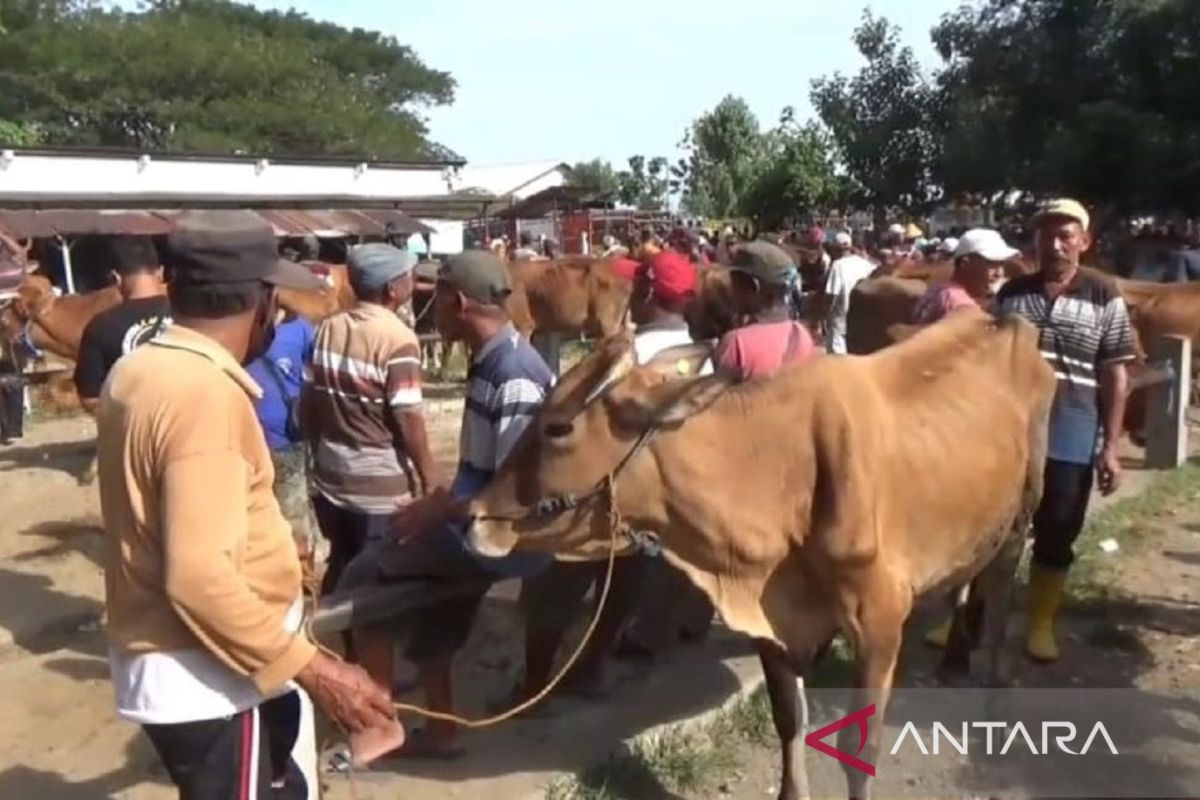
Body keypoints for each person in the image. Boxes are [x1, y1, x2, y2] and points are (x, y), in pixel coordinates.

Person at [96, 210, 395, 799]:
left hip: (192, 662)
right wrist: (316, 668)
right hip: (215, 676)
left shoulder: (140, 369)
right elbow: (201, 577)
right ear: (264, 301)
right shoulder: (203, 393)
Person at [333, 250, 554, 760]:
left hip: (503, 538)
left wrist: (441, 511)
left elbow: (514, 492)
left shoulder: (514, 374)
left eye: (439, 299)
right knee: (435, 590)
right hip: (480, 526)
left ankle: (377, 724)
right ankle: (442, 730)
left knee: (361, 577)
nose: (432, 309)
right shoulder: (495, 358)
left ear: (459, 302)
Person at [928, 199, 1136, 663]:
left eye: (1066, 235)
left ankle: (1040, 622)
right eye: (1047, 234)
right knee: (988, 530)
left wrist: (1111, 447)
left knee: (1058, 529)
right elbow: (987, 360)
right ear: (1036, 240)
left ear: (1085, 241)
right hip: (1010, 433)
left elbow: (1116, 373)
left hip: (1073, 429)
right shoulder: (1012, 293)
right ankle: (967, 616)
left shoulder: (1105, 294)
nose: (1056, 244)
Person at [303, 243, 443, 597]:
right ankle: (364, 649)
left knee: (341, 560)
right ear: (392, 289)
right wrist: (430, 474)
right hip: (378, 487)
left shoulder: (327, 329)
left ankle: (332, 636)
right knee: (373, 576)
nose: (413, 280)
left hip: (332, 475)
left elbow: (310, 401)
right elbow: (407, 415)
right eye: (407, 276)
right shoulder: (398, 340)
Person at [246, 309, 318, 568]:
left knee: (293, 521)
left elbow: (313, 378)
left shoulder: (246, 328)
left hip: (283, 441)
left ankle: (303, 583)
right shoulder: (300, 328)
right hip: (259, 442)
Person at [74, 236, 171, 414]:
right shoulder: (190, 314)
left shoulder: (100, 327)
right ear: (161, 272)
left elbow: (90, 398)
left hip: (131, 433)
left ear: (116, 278)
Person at [716, 241, 817, 379]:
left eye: (734, 281)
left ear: (755, 287)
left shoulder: (737, 344)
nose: (731, 288)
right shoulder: (802, 335)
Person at [911, 228, 1019, 324]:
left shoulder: (940, 289)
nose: (999, 273)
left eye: (1001, 264)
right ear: (965, 263)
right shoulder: (958, 304)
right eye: (991, 264)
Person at [822, 232, 876, 355]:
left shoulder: (837, 266)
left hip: (840, 322)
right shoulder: (866, 265)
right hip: (861, 322)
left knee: (838, 364)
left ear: (835, 249)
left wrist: (825, 316)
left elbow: (831, 294)